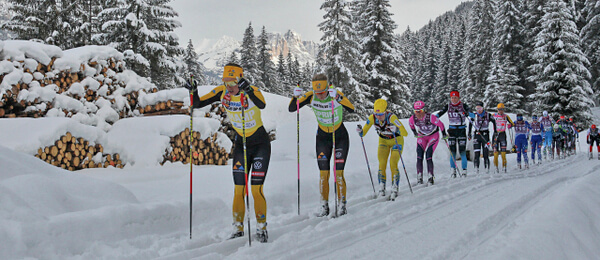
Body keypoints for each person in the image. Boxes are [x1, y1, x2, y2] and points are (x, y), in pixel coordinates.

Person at [186, 63, 270, 242]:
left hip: (260, 145)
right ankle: (238, 228)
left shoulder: (251, 90)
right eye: (226, 83)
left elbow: (262, 104)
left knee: (256, 189)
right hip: (241, 145)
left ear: (240, 81)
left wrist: (249, 91)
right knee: (238, 189)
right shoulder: (222, 91)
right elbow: (198, 103)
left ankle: (262, 228)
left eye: (232, 83)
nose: (229, 88)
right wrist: (193, 92)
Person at [289, 74, 355, 217]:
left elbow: (351, 109)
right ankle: (324, 205)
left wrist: (338, 98)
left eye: (322, 92)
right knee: (323, 174)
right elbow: (292, 109)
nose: (319, 95)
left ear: (327, 88)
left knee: (338, 173)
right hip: (323, 138)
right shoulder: (311, 96)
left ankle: (342, 204)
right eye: (317, 92)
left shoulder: (335, 95)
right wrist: (295, 97)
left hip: (340, 137)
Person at [357, 99, 408, 199]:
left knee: (393, 163)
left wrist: (397, 129)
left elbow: (405, 132)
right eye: (376, 114)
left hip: (396, 141)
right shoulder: (372, 118)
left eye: (381, 114)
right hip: (383, 141)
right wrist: (359, 131)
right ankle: (382, 187)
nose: (378, 116)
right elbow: (363, 133)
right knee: (382, 164)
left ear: (385, 112)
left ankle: (395, 187)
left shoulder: (392, 117)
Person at [409, 101, 447, 185]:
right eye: (416, 111)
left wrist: (444, 134)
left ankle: (430, 177)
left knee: (428, 155)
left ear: (424, 110)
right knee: (419, 156)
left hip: (433, 136)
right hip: (422, 136)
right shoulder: (413, 118)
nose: (418, 114)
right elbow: (411, 124)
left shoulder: (431, 117)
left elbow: (441, 125)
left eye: (420, 111)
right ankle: (419, 177)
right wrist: (414, 132)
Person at [436, 90, 470, 177]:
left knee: (462, 151)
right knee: (452, 152)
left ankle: (464, 171)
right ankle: (453, 171)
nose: (454, 99)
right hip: (452, 130)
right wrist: (431, 118)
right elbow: (439, 114)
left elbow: (472, 115)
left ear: (459, 98)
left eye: (455, 98)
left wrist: (467, 113)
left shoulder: (463, 105)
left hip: (462, 130)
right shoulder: (448, 106)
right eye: (452, 98)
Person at [468, 101, 496, 173]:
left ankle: (487, 168)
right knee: (477, 153)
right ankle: (476, 168)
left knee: (485, 153)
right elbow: (470, 124)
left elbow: (494, 122)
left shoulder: (488, 115)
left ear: (483, 108)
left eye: (480, 108)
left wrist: (495, 131)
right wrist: (469, 133)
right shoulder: (474, 115)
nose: (479, 110)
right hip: (477, 135)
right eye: (477, 108)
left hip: (485, 135)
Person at [492, 103, 514, 173]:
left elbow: (512, 124)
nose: (500, 111)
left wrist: (510, 125)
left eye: (502, 109)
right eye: (499, 109)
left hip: (502, 135)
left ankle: (504, 167)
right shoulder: (494, 115)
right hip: (495, 135)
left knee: (503, 153)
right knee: (495, 153)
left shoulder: (506, 116)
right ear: (497, 109)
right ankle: (496, 167)